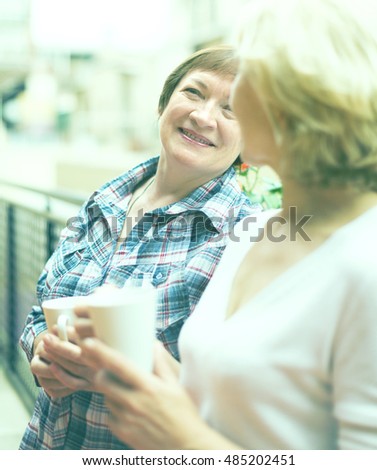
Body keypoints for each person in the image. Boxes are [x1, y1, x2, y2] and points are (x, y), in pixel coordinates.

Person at [80, 0, 377, 450]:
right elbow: (230, 403)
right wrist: (143, 363)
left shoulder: (365, 265)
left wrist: (184, 439)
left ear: (292, 103)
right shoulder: (251, 233)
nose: (227, 103)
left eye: (247, 80)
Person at [19, 46, 257, 450]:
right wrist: (41, 346)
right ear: (164, 105)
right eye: (193, 93)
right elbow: (40, 308)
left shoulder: (245, 239)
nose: (203, 116)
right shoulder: (105, 199)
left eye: (230, 110)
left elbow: (242, 401)